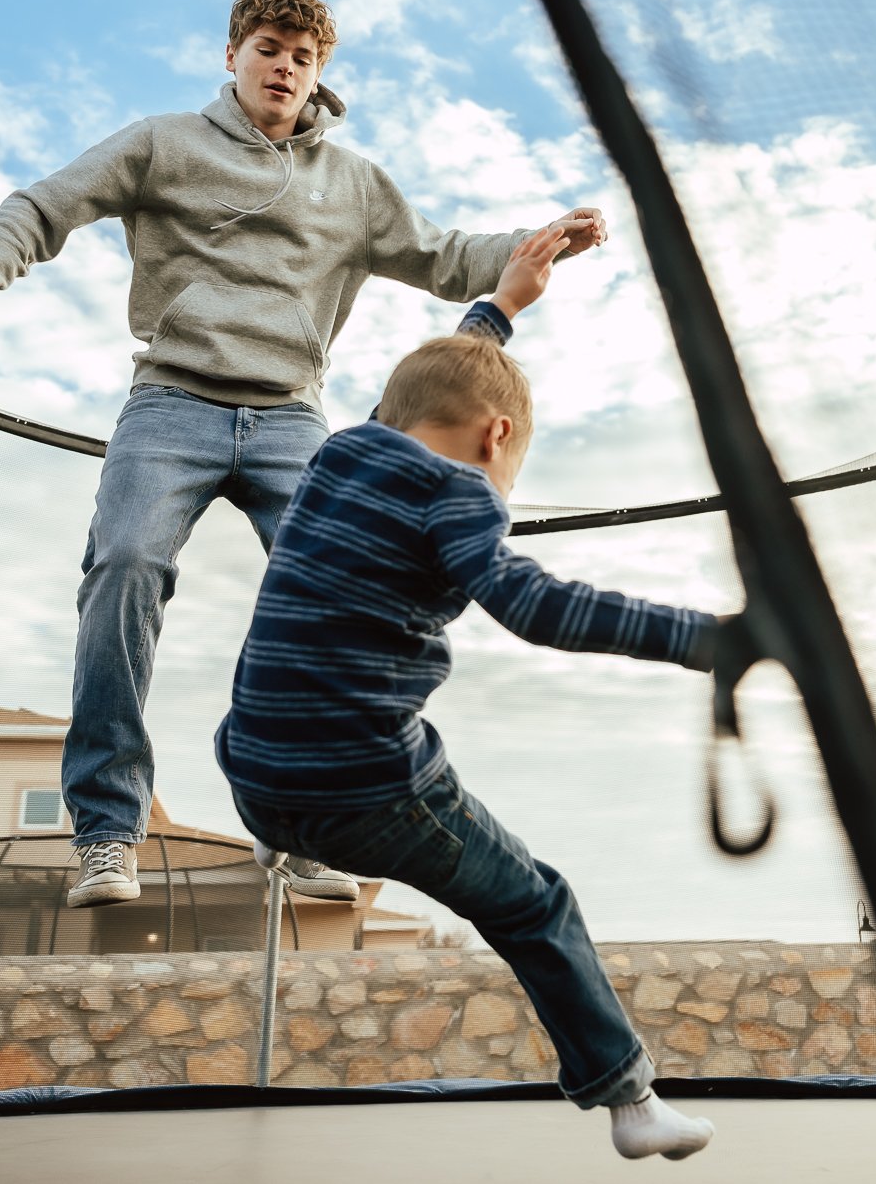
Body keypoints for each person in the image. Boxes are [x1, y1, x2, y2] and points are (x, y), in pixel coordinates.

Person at [0, 0, 608, 909]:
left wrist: (538, 241)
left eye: (303, 57)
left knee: (345, 595)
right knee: (123, 565)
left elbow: (445, 257)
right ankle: (109, 831)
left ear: (320, 75)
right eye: (269, 49)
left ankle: (304, 824)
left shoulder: (351, 182)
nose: (285, 67)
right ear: (233, 56)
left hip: (290, 416)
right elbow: (40, 208)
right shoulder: (162, 144)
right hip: (171, 405)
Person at [217, 229, 720, 1161]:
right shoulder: (463, 492)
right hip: (367, 791)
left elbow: (419, 391)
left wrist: (504, 308)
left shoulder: (343, 450)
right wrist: (705, 639)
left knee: (273, 686)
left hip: (253, 768)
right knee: (534, 904)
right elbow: (534, 603)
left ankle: (277, 832)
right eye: (510, 462)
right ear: (496, 437)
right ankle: (629, 1099)